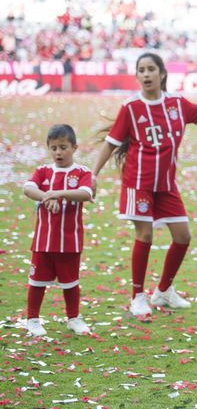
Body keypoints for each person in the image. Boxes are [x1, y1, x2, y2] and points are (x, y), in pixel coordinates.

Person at [91, 52, 197, 318]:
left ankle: (164, 291)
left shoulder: (177, 103)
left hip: (166, 184)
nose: (145, 74)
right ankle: (137, 297)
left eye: (150, 69)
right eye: (141, 70)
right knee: (145, 235)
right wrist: (93, 174)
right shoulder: (130, 108)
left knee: (183, 236)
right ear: (137, 76)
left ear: (162, 74)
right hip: (139, 183)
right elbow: (111, 143)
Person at [23, 124, 93, 336]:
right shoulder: (43, 171)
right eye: (53, 148)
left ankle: (73, 318)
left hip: (69, 240)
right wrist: (46, 197)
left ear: (74, 147)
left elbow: (86, 193)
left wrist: (57, 194)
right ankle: (32, 320)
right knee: (37, 282)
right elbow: (28, 188)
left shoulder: (82, 172)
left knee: (71, 283)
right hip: (43, 240)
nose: (58, 152)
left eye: (63, 147)